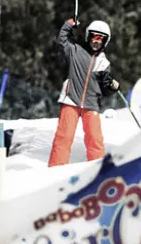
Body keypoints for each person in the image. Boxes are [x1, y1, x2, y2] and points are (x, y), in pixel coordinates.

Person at [47, 18, 120, 168]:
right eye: (94, 37)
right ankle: (56, 168)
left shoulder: (104, 63)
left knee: (94, 139)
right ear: (88, 36)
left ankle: (97, 169)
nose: (96, 41)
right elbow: (61, 41)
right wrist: (69, 24)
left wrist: (112, 86)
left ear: (105, 42)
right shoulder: (75, 51)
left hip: (91, 104)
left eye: (101, 39)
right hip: (71, 100)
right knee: (64, 136)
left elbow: (105, 90)